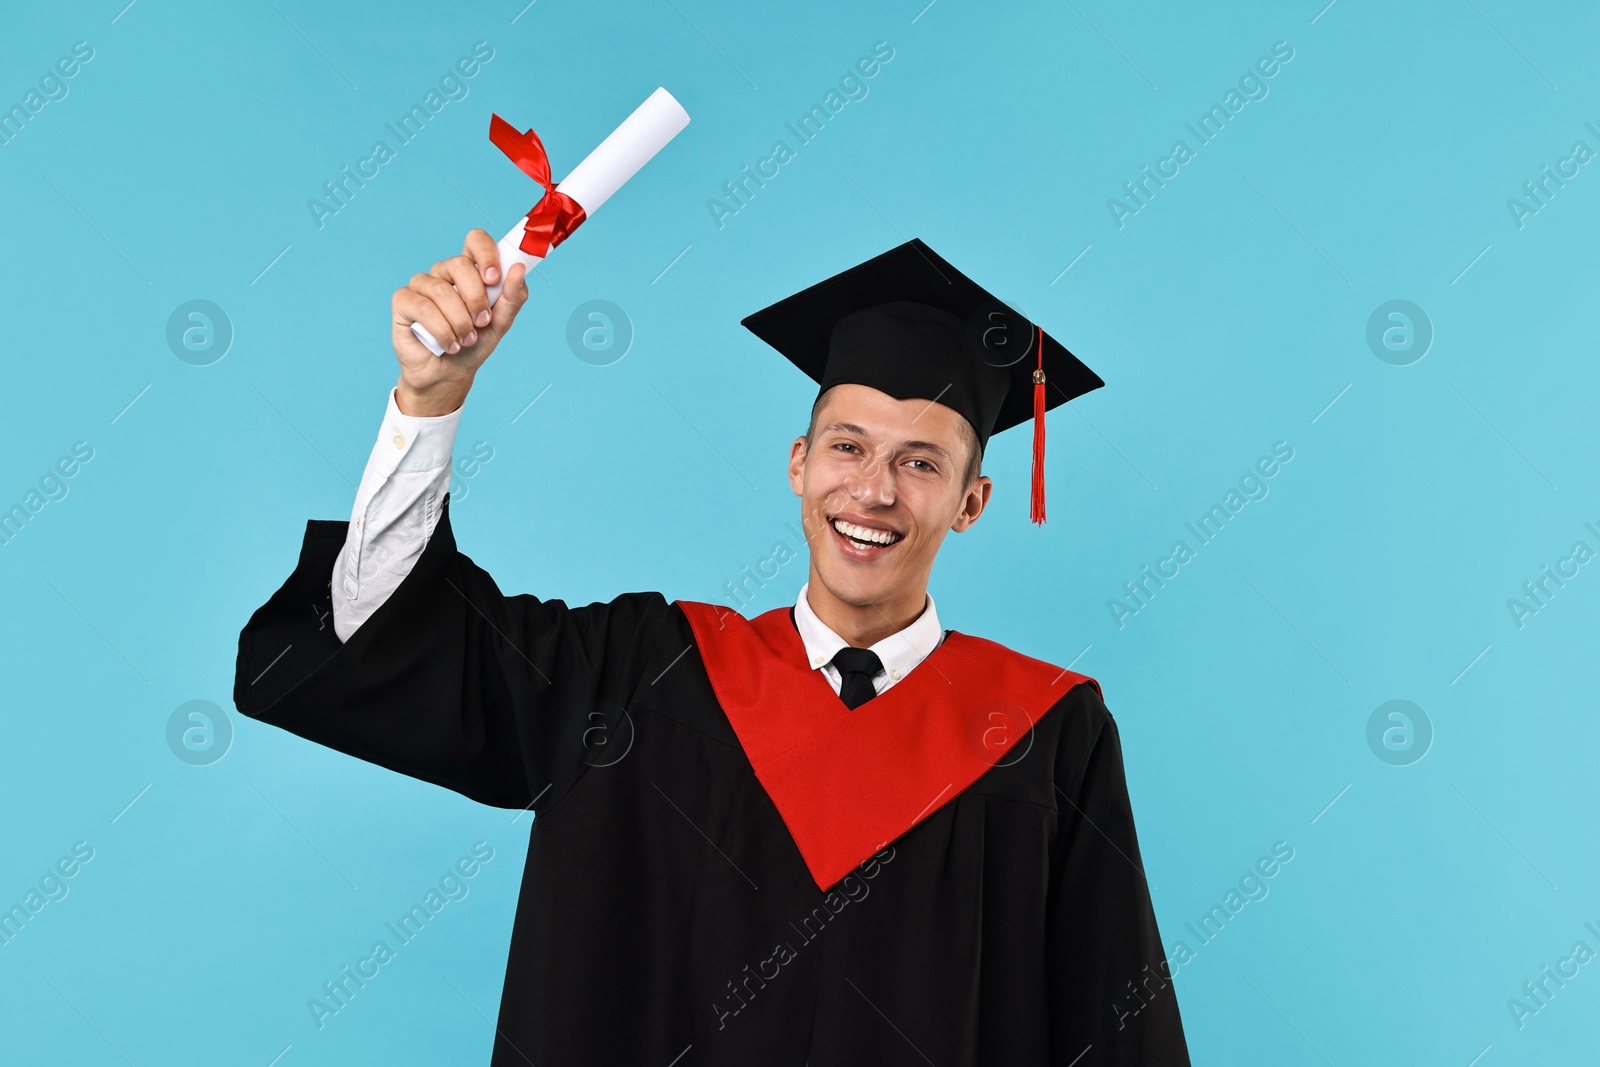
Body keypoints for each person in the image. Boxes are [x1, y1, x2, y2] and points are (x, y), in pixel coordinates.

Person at [233, 229, 1192, 1065]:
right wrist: (430, 397)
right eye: (848, 447)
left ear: (971, 503)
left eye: (921, 462)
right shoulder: (638, 670)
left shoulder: (1044, 732)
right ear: (798, 463)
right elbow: (386, 627)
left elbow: (1116, 1025)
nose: (874, 490)